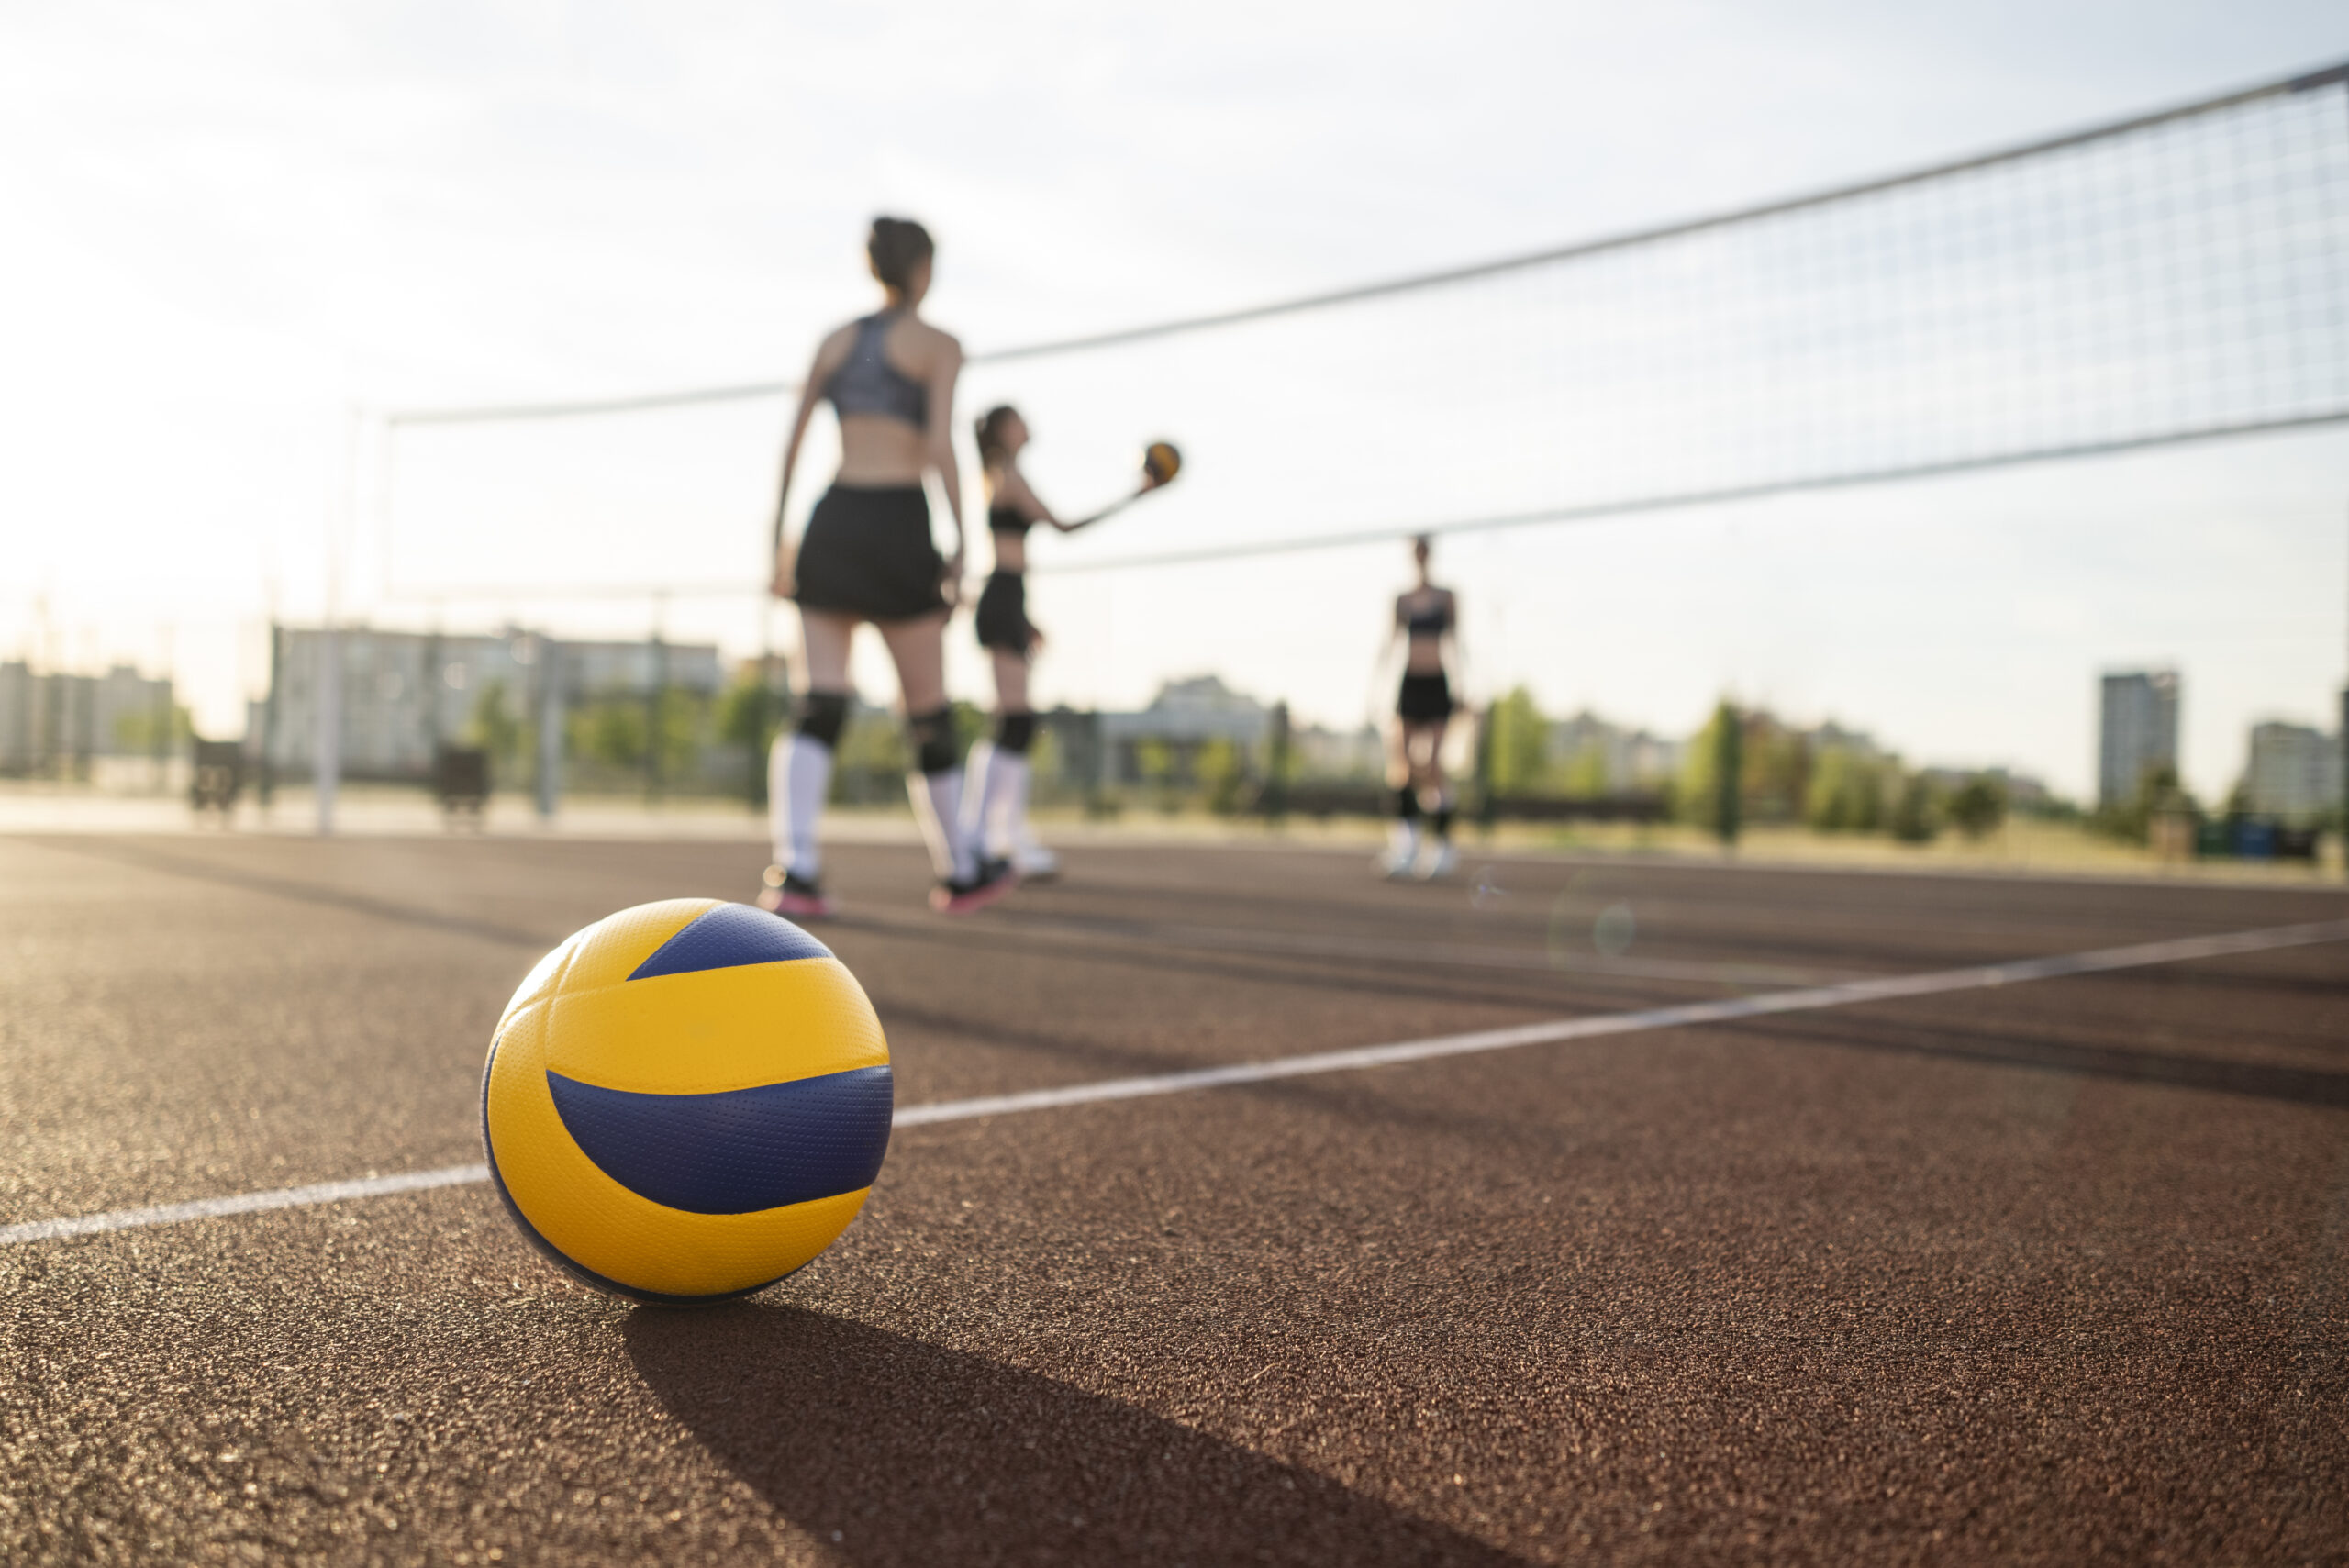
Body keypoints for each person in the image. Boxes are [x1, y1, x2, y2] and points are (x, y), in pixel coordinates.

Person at [761, 217, 1013, 917]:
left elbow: (792, 444)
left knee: (820, 702)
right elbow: (939, 445)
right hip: (898, 520)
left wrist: (776, 541)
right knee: (926, 711)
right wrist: (963, 540)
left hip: (834, 517)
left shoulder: (836, 340)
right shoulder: (940, 345)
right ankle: (960, 868)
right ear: (924, 268)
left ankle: (796, 868)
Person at [959, 406, 1164, 879]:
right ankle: (990, 837)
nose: (1028, 424)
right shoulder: (1008, 474)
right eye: (1018, 419)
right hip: (1002, 596)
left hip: (1008, 597)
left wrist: (1023, 616)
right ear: (1003, 430)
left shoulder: (999, 474)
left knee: (1012, 723)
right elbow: (1064, 527)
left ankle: (996, 835)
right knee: (1015, 723)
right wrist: (1135, 495)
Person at [1381, 535, 1462, 879]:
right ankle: (1406, 843)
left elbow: (1457, 643)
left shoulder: (1447, 597)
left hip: (1438, 685)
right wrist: (1374, 690)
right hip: (1409, 684)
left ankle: (1442, 846)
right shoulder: (1401, 599)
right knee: (1402, 765)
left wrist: (1464, 687)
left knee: (1432, 764)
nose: (1421, 556)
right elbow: (1390, 643)